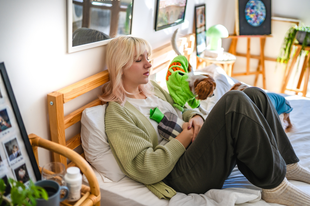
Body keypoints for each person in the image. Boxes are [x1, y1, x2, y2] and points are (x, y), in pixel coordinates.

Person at [100, 35, 310, 206]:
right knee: (234, 100)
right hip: (179, 175)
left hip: (195, 152)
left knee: (255, 94)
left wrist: (197, 117)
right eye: (139, 60)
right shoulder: (118, 113)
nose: (148, 64)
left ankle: (288, 164)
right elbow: (145, 168)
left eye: (148, 57)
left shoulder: (151, 89)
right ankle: (275, 187)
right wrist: (185, 136)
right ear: (121, 67)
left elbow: (182, 108)